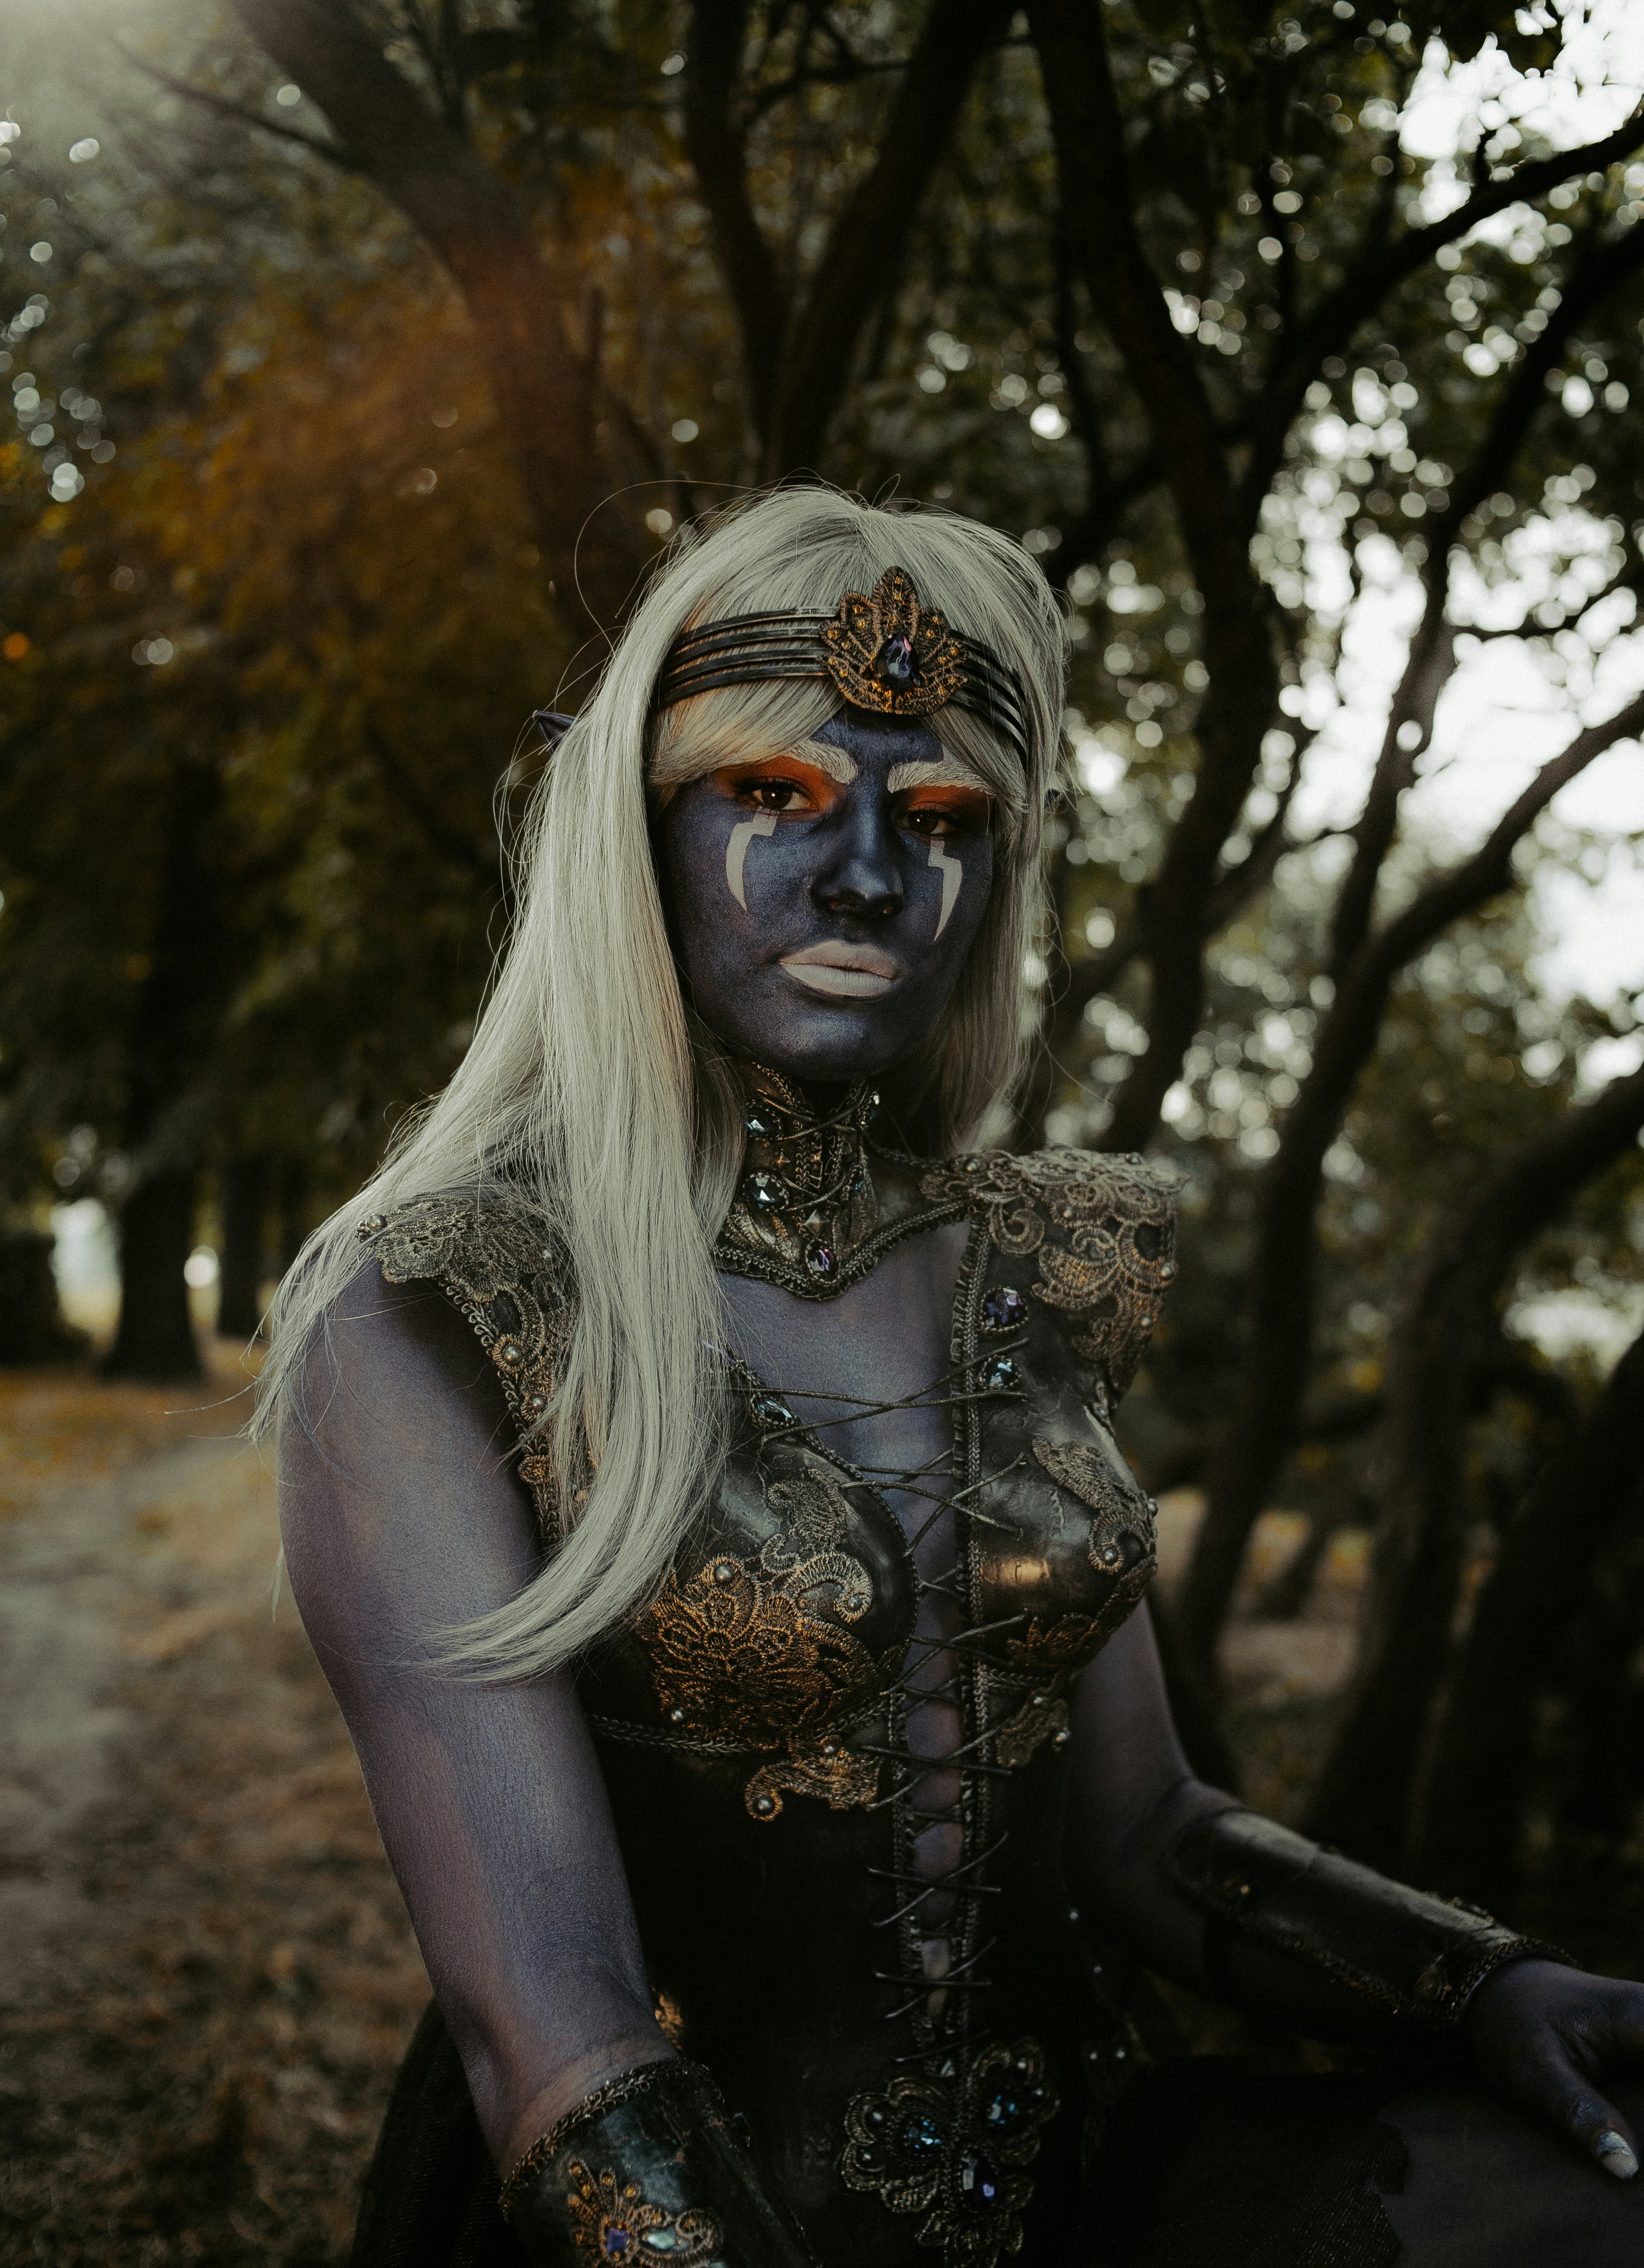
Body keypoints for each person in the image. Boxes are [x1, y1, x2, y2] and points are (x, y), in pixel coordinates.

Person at [267, 486, 1644, 2268]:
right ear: (640, 831)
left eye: (936, 818)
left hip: (1094, 2172)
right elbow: (559, 2035)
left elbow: (1146, 1830)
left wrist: (1480, 1982)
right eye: (770, 796)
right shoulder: (437, 1311)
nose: (860, 872)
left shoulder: (1029, 1266)